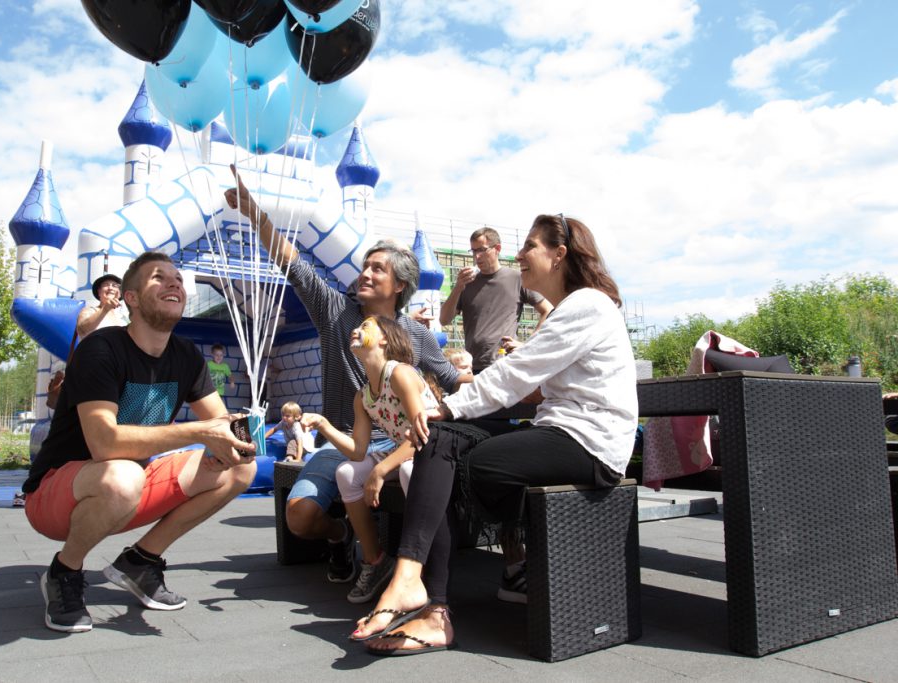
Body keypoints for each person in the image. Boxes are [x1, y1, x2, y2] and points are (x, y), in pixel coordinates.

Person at [354, 214, 638, 655]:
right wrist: (446, 415)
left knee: (451, 454)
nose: (518, 254)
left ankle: (438, 600)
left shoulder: (588, 305)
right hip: (557, 432)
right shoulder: (570, 310)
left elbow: (515, 376)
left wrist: (446, 405)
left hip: (590, 445)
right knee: (440, 439)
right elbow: (526, 381)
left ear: (559, 254)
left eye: (530, 246)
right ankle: (419, 590)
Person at [224, 165, 468, 587]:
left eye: (377, 269)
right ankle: (342, 537)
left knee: (417, 482)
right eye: (365, 266)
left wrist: (511, 379)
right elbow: (294, 265)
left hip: (398, 444)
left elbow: (450, 379)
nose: (365, 273)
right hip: (344, 442)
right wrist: (257, 216)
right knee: (299, 517)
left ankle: (413, 573)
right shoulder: (337, 312)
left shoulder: (416, 334)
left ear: (399, 286)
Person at [22, 251, 257, 633]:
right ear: (130, 298)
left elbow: (221, 425)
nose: (173, 284)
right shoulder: (100, 349)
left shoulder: (187, 357)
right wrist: (200, 433)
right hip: (57, 495)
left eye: (177, 279)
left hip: (130, 485)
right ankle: (64, 571)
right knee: (122, 475)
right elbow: (104, 443)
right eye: (158, 278)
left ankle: (141, 562)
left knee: (240, 468)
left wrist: (249, 436)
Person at [302, 315, 439, 604]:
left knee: (408, 472)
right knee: (347, 474)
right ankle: (375, 561)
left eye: (365, 326)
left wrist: (380, 470)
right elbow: (357, 451)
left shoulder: (400, 373)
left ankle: (421, 572)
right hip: (404, 449)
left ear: (384, 339)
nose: (356, 328)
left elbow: (424, 435)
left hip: (434, 447)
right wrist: (325, 426)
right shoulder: (362, 396)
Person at [436, 227, 552, 373]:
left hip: (505, 364)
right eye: (473, 251)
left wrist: (528, 346)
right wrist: (458, 287)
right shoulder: (466, 283)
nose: (477, 256)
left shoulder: (517, 279)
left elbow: (548, 310)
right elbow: (444, 320)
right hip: (473, 367)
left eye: (482, 250)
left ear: (497, 249)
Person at [76, 273, 130, 338]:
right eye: (106, 285)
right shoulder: (90, 311)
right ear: (99, 292)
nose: (110, 288)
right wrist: (105, 309)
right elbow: (82, 330)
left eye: (114, 285)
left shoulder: (124, 316)